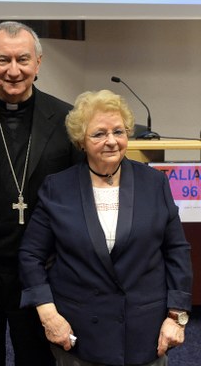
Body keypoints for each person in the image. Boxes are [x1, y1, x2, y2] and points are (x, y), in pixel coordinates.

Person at [19, 89, 193, 366]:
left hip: (145, 335)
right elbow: (30, 255)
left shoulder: (155, 183)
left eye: (119, 131)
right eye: (99, 134)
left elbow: (177, 251)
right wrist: (49, 315)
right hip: (79, 335)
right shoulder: (58, 187)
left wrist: (177, 317)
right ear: (81, 141)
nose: (111, 141)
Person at [0, 21, 83, 366]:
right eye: (3, 60)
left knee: (38, 359)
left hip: (41, 272)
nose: (13, 71)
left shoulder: (67, 118)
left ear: (38, 63)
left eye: (23, 60)